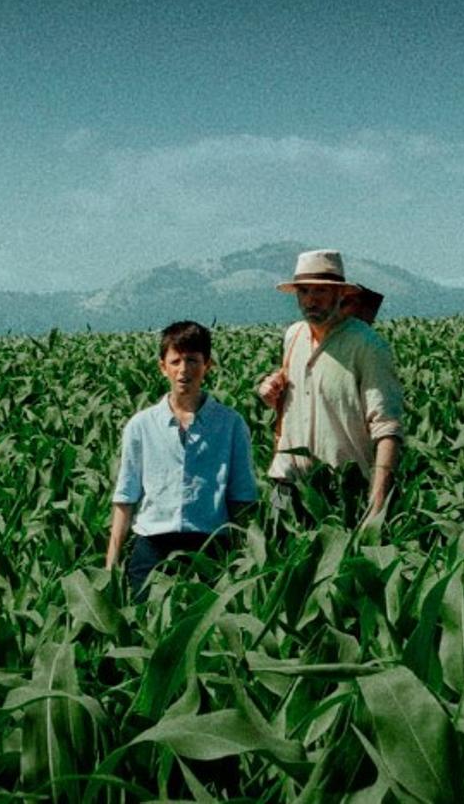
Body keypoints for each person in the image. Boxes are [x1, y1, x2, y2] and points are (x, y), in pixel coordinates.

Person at [105, 321, 258, 599]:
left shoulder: (231, 424)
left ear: (207, 365)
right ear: (162, 367)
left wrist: (245, 557)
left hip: (209, 545)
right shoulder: (140, 426)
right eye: (175, 361)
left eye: (192, 360)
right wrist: (111, 566)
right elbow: (125, 499)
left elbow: (241, 498)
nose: (184, 370)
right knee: (145, 625)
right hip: (153, 545)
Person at [257, 249, 403, 523]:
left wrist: (377, 505)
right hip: (285, 482)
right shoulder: (293, 336)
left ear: (341, 295)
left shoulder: (367, 346)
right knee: (276, 553)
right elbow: (300, 400)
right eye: (304, 291)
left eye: (321, 291)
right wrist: (271, 393)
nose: (310, 300)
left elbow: (387, 428)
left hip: (340, 491)